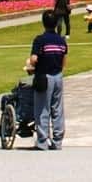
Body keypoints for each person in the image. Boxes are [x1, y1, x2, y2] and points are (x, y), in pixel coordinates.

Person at [25, 10, 68, 151]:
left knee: (43, 108)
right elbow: (64, 61)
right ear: (56, 23)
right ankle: (57, 141)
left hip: (44, 76)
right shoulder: (61, 41)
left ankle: (42, 141)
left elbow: (34, 59)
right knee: (57, 109)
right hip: (58, 77)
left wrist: (30, 63)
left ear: (43, 23)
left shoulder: (40, 40)